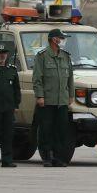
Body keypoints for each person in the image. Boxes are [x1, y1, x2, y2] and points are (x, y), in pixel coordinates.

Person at [34, 27, 75, 167]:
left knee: (61, 130)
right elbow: (37, 78)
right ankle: (47, 157)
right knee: (46, 130)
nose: (63, 41)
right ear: (54, 39)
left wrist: (71, 95)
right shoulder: (42, 56)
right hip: (47, 100)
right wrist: (40, 96)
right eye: (61, 38)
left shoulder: (65, 56)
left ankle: (59, 157)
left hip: (62, 101)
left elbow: (70, 78)